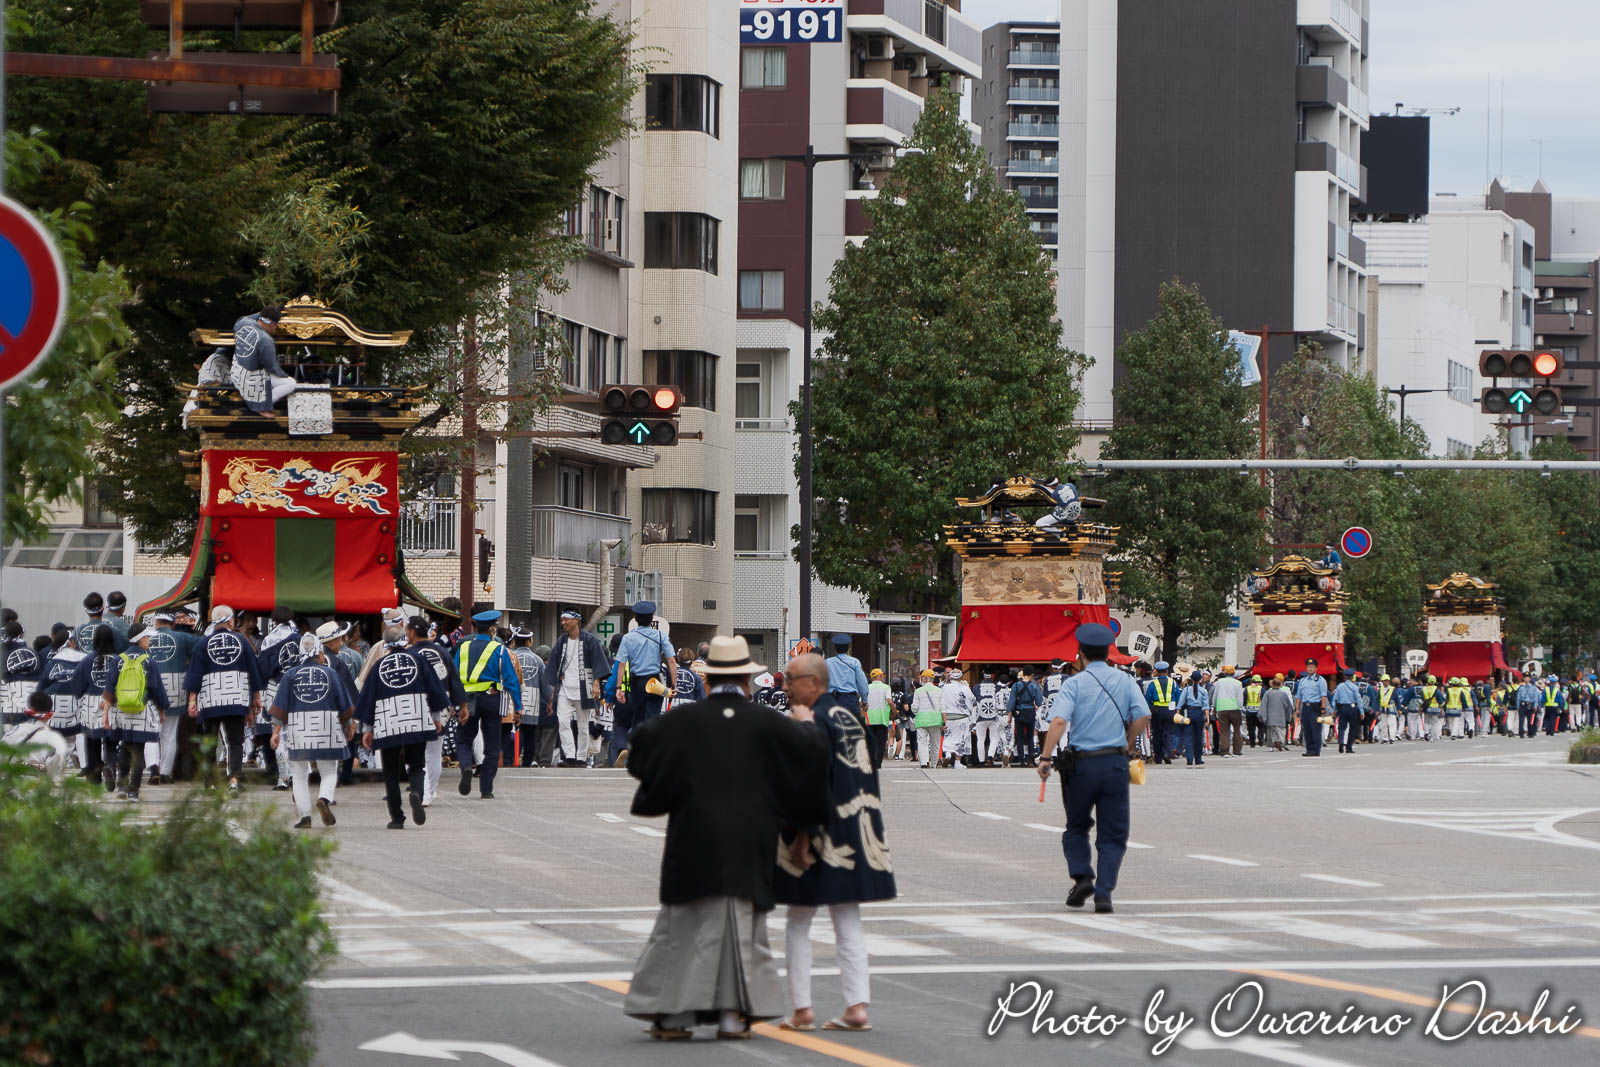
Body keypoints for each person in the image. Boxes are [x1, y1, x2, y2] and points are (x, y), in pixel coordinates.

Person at [621, 635, 831, 1040]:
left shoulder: (681, 721)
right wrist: (804, 834)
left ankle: (674, 1017)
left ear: (708, 680)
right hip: (751, 837)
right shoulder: (771, 724)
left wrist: (667, 782)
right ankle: (734, 1016)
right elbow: (811, 762)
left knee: (683, 926)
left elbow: (641, 746)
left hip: (692, 835)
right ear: (747, 682)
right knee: (741, 926)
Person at [775, 653, 896, 1034]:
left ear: (814, 682)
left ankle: (802, 1008)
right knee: (847, 918)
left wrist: (802, 837)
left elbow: (809, 782)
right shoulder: (850, 717)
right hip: (856, 825)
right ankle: (856, 1006)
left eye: (792, 679)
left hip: (820, 829)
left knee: (798, 919)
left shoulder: (813, 721)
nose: (786, 686)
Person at [1035, 624, 1149, 914]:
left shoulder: (1073, 684)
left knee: (1076, 826)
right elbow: (1143, 715)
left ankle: (1083, 876)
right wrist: (1127, 741)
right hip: (1114, 764)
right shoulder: (1125, 681)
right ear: (1109, 653)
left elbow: (1058, 721)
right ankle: (1104, 893)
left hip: (1081, 766)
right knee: (1113, 833)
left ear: (1081, 654)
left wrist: (1046, 758)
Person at [356, 629, 450, 829]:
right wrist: (436, 718)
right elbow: (435, 689)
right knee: (416, 764)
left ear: (386, 644)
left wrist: (368, 729)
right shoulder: (419, 660)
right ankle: (416, 792)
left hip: (387, 721)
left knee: (390, 772)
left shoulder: (379, 666)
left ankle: (397, 818)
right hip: (416, 716)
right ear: (405, 642)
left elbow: (369, 698)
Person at [270, 633, 356, 829]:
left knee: (299, 774)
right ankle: (324, 799)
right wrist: (348, 726)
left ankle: (305, 818)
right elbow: (344, 704)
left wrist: (276, 732)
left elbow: (281, 706)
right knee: (329, 769)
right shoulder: (331, 674)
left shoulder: (290, 675)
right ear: (320, 653)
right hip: (327, 724)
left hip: (298, 726)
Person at [182, 605, 266, 794]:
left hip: (210, 700)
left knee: (210, 741)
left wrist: (192, 700)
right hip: (236, 698)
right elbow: (252, 670)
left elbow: (195, 672)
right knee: (235, 741)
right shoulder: (241, 641)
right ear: (230, 621)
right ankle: (233, 780)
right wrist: (256, 698)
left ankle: (210, 782)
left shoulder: (204, 643)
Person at [453, 610, 521, 797]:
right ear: (492, 629)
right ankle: (486, 789)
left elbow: (453, 677)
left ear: (475, 627)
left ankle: (467, 767)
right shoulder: (499, 649)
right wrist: (518, 706)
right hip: (492, 698)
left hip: (467, 701)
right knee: (492, 745)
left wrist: (453, 702)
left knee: (464, 739)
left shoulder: (463, 648)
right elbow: (511, 680)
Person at [100, 625, 169, 802]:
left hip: (121, 710)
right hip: (141, 711)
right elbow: (157, 689)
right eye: (147, 638)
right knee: (138, 751)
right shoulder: (148, 661)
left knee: (124, 747)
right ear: (140, 639)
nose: (149, 641)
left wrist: (106, 713)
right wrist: (162, 709)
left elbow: (109, 688)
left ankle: (122, 786)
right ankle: (133, 792)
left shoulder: (118, 660)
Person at [402, 617, 466, 802]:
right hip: (442, 705)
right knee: (434, 751)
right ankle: (429, 790)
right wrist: (462, 705)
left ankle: (422, 790)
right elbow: (454, 679)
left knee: (415, 751)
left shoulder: (409, 654)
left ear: (412, 632)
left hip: (415, 706)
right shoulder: (442, 652)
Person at [542, 610, 609, 768]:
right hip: (565, 688)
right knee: (563, 721)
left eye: (566, 619)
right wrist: (552, 695)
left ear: (576, 620)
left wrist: (596, 683)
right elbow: (554, 667)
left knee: (583, 725)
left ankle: (581, 757)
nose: (563, 623)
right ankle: (570, 755)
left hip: (584, 687)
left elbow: (599, 662)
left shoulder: (590, 640)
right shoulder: (561, 641)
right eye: (562, 620)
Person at [141, 613, 200, 786]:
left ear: (156, 622)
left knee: (151, 732)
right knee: (170, 733)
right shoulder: (183, 638)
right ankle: (165, 773)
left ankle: (153, 767)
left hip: (151, 688)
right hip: (176, 688)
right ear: (172, 623)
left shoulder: (145, 638)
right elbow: (203, 645)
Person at [613, 603, 678, 759]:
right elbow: (671, 660)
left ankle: (637, 753)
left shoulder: (628, 638)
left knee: (638, 718)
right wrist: (674, 684)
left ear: (635, 619)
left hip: (637, 683)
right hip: (655, 682)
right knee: (653, 717)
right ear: (651, 619)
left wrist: (619, 687)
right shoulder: (661, 636)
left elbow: (621, 663)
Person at [255, 606, 301, 788]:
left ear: (273, 619)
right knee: (295, 733)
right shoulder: (299, 638)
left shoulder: (269, 640)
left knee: (277, 732)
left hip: (275, 687)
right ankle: (297, 776)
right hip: (297, 687)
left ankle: (283, 778)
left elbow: (264, 669)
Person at [229, 305, 296, 415]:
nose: (275, 329)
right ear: (273, 323)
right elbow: (272, 367)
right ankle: (262, 405)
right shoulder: (266, 340)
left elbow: (246, 317)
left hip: (235, 373)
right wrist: (285, 375)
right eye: (276, 325)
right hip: (250, 379)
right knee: (291, 383)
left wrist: (264, 313)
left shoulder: (242, 323)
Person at [7, 691, 72, 781]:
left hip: (8, 785)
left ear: (27, 711)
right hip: (36, 786)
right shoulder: (54, 740)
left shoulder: (12, 732)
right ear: (50, 714)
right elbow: (55, 776)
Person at [508, 628, 549, 766]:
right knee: (530, 734)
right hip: (532, 701)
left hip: (512, 700)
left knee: (513, 731)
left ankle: (511, 761)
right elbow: (545, 686)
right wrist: (548, 701)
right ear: (529, 642)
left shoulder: (510, 656)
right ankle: (526, 763)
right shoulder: (538, 660)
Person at [824, 634, 871, 717]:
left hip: (831, 701)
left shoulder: (827, 662)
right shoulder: (855, 662)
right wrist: (864, 702)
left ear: (835, 648)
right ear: (848, 648)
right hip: (849, 701)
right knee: (852, 723)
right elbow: (862, 683)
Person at [1292, 658, 1329, 757]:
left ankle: (1316, 750)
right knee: (1307, 729)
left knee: (1315, 729)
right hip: (1305, 707)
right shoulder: (1303, 681)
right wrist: (1297, 709)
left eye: (1312, 667)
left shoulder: (1320, 680)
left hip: (1315, 707)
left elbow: (1323, 695)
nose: (1310, 669)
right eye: (1308, 667)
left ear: (1316, 668)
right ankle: (1309, 749)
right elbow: (1299, 696)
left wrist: (1323, 708)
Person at [1007, 667, 1043, 767]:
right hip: (1030, 712)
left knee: (1019, 737)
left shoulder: (1016, 685)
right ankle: (1031, 759)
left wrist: (1009, 715)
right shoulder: (1034, 686)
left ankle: (1022, 760)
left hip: (1019, 712)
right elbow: (1039, 701)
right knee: (1030, 736)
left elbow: (1011, 702)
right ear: (1032, 674)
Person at [940, 668, 975, 769]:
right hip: (962, 717)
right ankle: (957, 762)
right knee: (961, 739)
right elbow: (973, 700)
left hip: (948, 717)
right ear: (961, 677)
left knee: (948, 736)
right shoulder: (965, 688)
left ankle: (947, 753)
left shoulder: (945, 687)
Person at [1144, 662, 1177, 765]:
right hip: (1170, 711)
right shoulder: (1173, 683)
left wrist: (1150, 709)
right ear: (1167, 671)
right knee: (1169, 732)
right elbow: (1178, 696)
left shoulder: (1153, 684)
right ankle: (1167, 752)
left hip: (1157, 711)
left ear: (1157, 672)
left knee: (1157, 734)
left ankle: (1158, 758)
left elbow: (1148, 698)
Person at [911, 669, 944, 768]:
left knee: (922, 743)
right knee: (935, 744)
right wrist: (944, 721)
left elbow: (914, 707)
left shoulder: (918, 691)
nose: (921, 679)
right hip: (936, 720)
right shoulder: (939, 691)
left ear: (925, 678)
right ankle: (933, 764)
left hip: (921, 720)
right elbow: (943, 707)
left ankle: (924, 763)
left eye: (922, 678)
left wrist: (916, 712)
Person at [1175, 671, 1209, 767]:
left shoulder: (1186, 690)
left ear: (1191, 679)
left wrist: (1177, 714)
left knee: (1188, 737)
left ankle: (1189, 759)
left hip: (1189, 713)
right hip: (1199, 714)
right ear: (1200, 679)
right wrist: (1207, 719)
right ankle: (1198, 759)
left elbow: (1180, 704)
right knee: (1198, 737)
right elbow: (1206, 707)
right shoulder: (1203, 691)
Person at [972, 668, 1004, 768]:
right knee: (994, 737)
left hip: (980, 716)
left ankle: (981, 761)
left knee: (980, 739)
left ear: (983, 675)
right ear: (993, 676)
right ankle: (990, 756)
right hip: (994, 715)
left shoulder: (976, 687)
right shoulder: (998, 687)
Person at [865, 668, 894, 769]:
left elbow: (860, 702)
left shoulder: (867, 687)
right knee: (881, 742)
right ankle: (878, 764)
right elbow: (889, 701)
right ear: (881, 676)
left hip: (869, 719)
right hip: (882, 719)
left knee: (870, 742)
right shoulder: (886, 687)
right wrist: (894, 711)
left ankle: (871, 762)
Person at [1212, 666, 1245, 757]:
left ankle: (1224, 751)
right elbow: (1240, 698)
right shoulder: (1238, 683)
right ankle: (1237, 751)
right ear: (1234, 673)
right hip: (1235, 708)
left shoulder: (1219, 682)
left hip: (1222, 708)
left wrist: (1214, 706)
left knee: (1224, 731)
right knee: (1237, 730)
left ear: (1225, 673)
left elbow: (1215, 696)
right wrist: (1240, 708)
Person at [1332, 668, 1362, 754]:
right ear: (1352, 677)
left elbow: (1335, 699)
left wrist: (1334, 710)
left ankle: (1341, 741)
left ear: (1344, 676)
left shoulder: (1339, 686)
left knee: (1341, 727)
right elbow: (1359, 699)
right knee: (1352, 728)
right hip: (1352, 708)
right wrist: (1361, 711)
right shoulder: (1354, 687)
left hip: (1342, 708)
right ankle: (1349, 747)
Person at [1261, 674, 1293, 750]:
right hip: (1281, 716)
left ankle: (1272, 745)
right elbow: (1288, 706)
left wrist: (1262, 716)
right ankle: (1279, 742)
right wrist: (1289, 716)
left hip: (1270, 717)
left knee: (1271, 731)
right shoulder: (1284, 693)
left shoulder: (1268, 693)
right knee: (1281, 730)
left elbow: (1263, 705)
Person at [1375, 674, 1399, 744]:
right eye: (1384, 681)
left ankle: (1392, 738)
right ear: (1382, 681)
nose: (1386, 682)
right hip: (1383, 709)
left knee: (1392, 724)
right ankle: (1385, 738)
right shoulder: (1380, 690)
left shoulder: (1393, 689)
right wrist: (1376, 710)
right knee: (1383, 724)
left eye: (1387, 680)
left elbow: (1397, 700)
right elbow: (1377, 700)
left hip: (1391, 708)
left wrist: (1399, 709)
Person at [1244, 673, 1264, 748]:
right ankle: (1261, 740)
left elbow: (1244, 699)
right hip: (1259, 711)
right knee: (1261, 726)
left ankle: (1252, 743)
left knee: (1251, 728)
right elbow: (1264, 700)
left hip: (1249, 711)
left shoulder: (1247, 688)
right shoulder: (1261, 689)